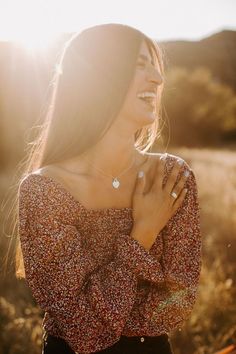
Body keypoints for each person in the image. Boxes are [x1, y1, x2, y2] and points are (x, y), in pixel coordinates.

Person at [17, 23, 202, 354]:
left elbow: (179, 301)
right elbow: (80, 331)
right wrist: (142, 235)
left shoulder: (172, 175)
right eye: (139, 65)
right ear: (98, 78)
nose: (158, 80)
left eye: (155, 67)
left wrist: (101, 309)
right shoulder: (44, 190)